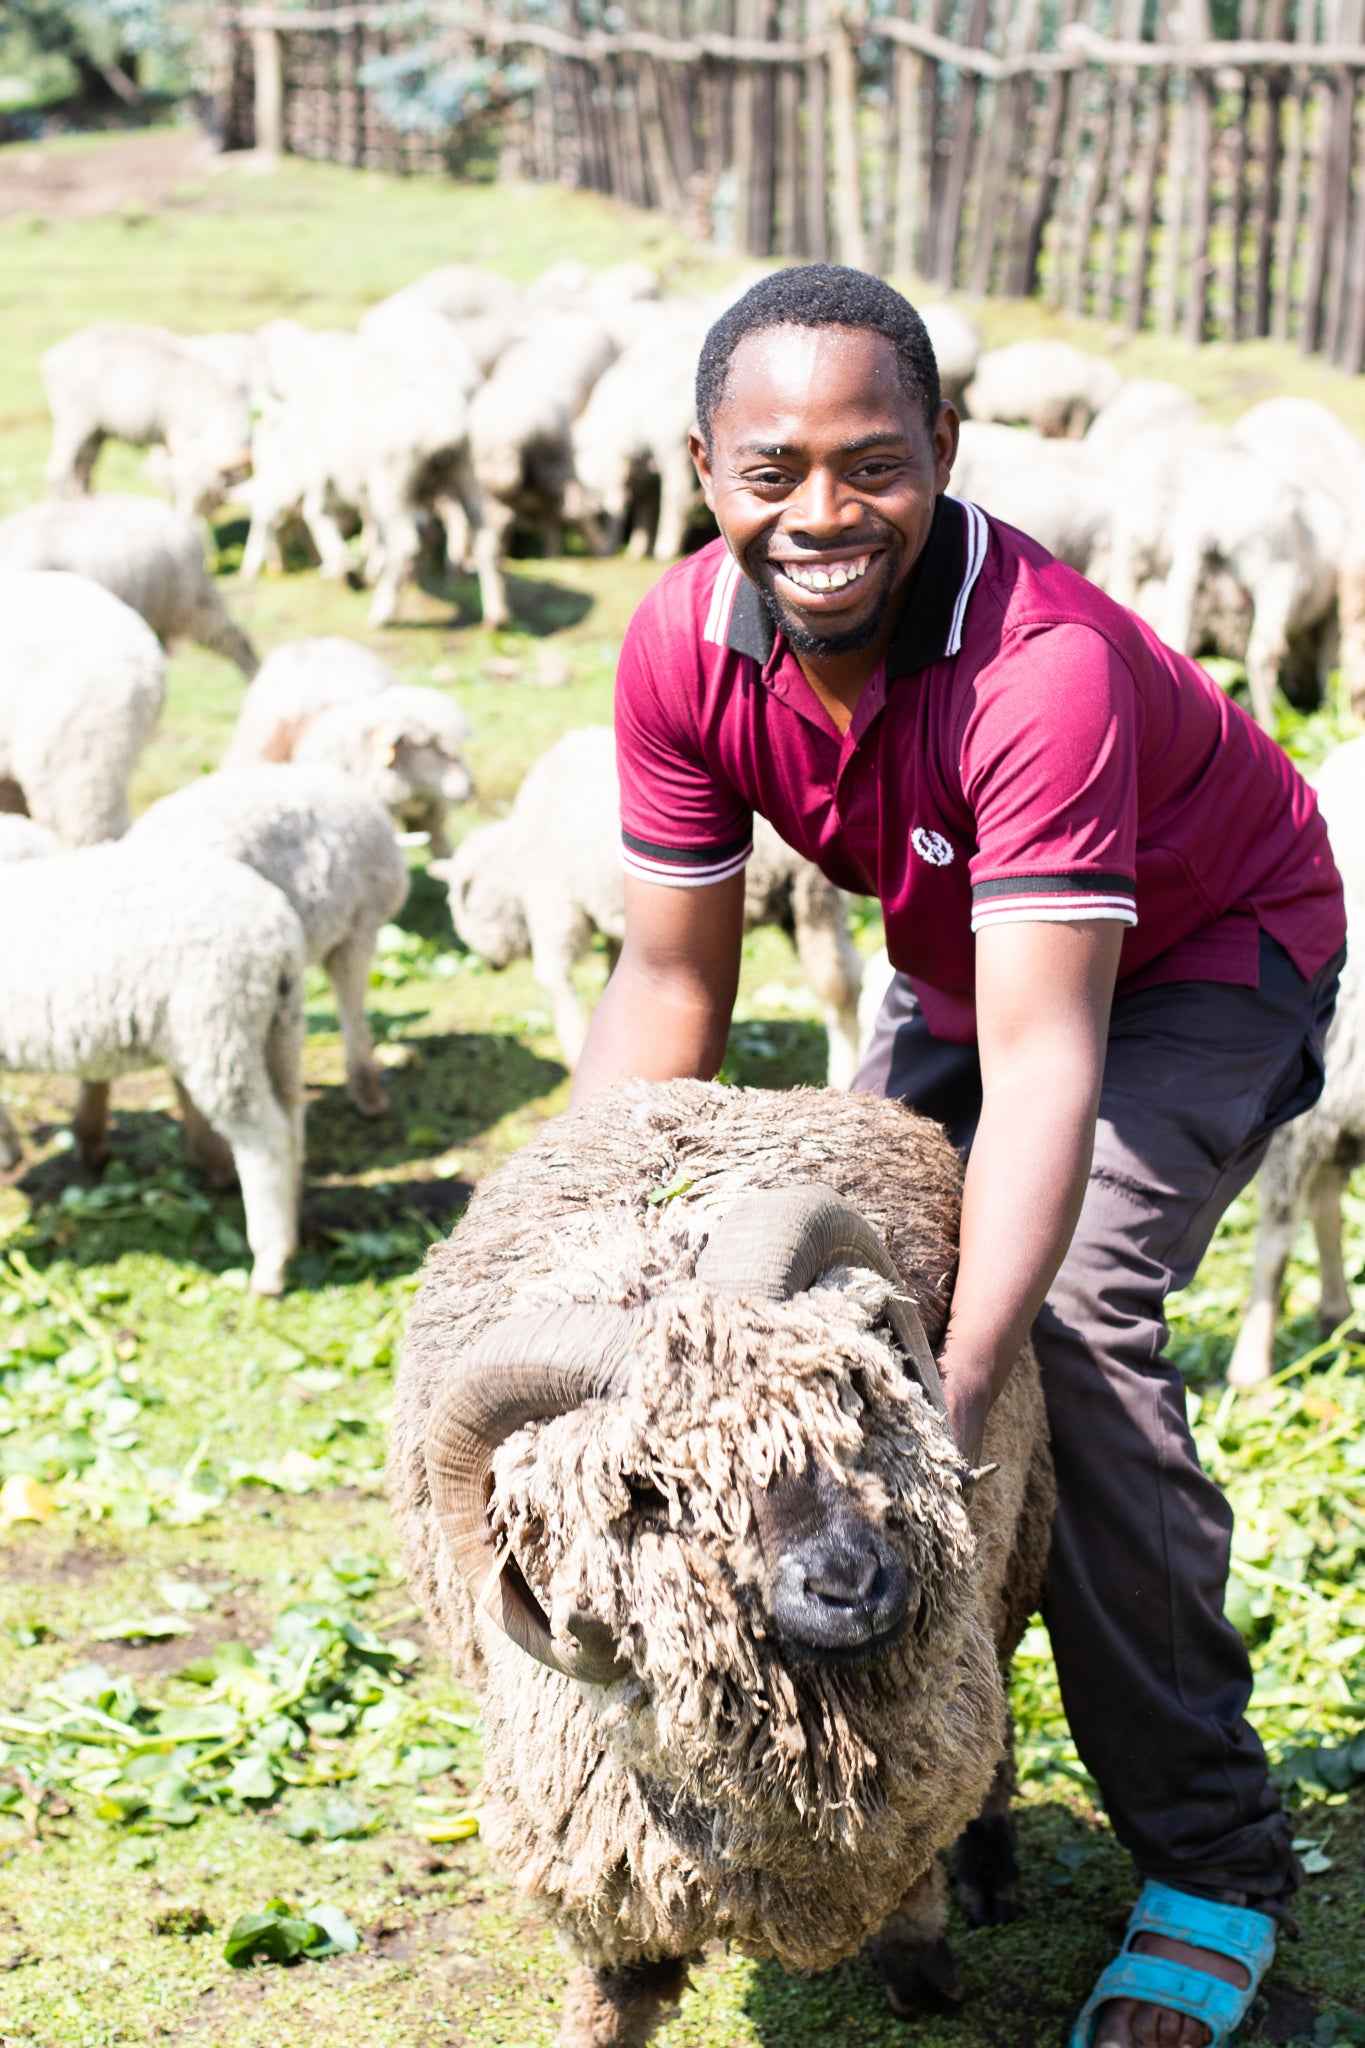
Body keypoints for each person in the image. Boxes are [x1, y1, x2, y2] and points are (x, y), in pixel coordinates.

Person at [568, 265, 1344, 2048]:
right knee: (851, 1293)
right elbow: (672, 980)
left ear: (946, 453)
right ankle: (944, 1768)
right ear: (703, 467)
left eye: (872, 464)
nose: (822, 514)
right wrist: (590, 1253)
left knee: (1055, 1324)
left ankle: (1213, 1862)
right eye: (773, 471)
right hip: (966, 954)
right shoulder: (682, 646)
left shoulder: (1040, 667)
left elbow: (1051, 1056)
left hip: (1202, 959)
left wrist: (969, 1377)